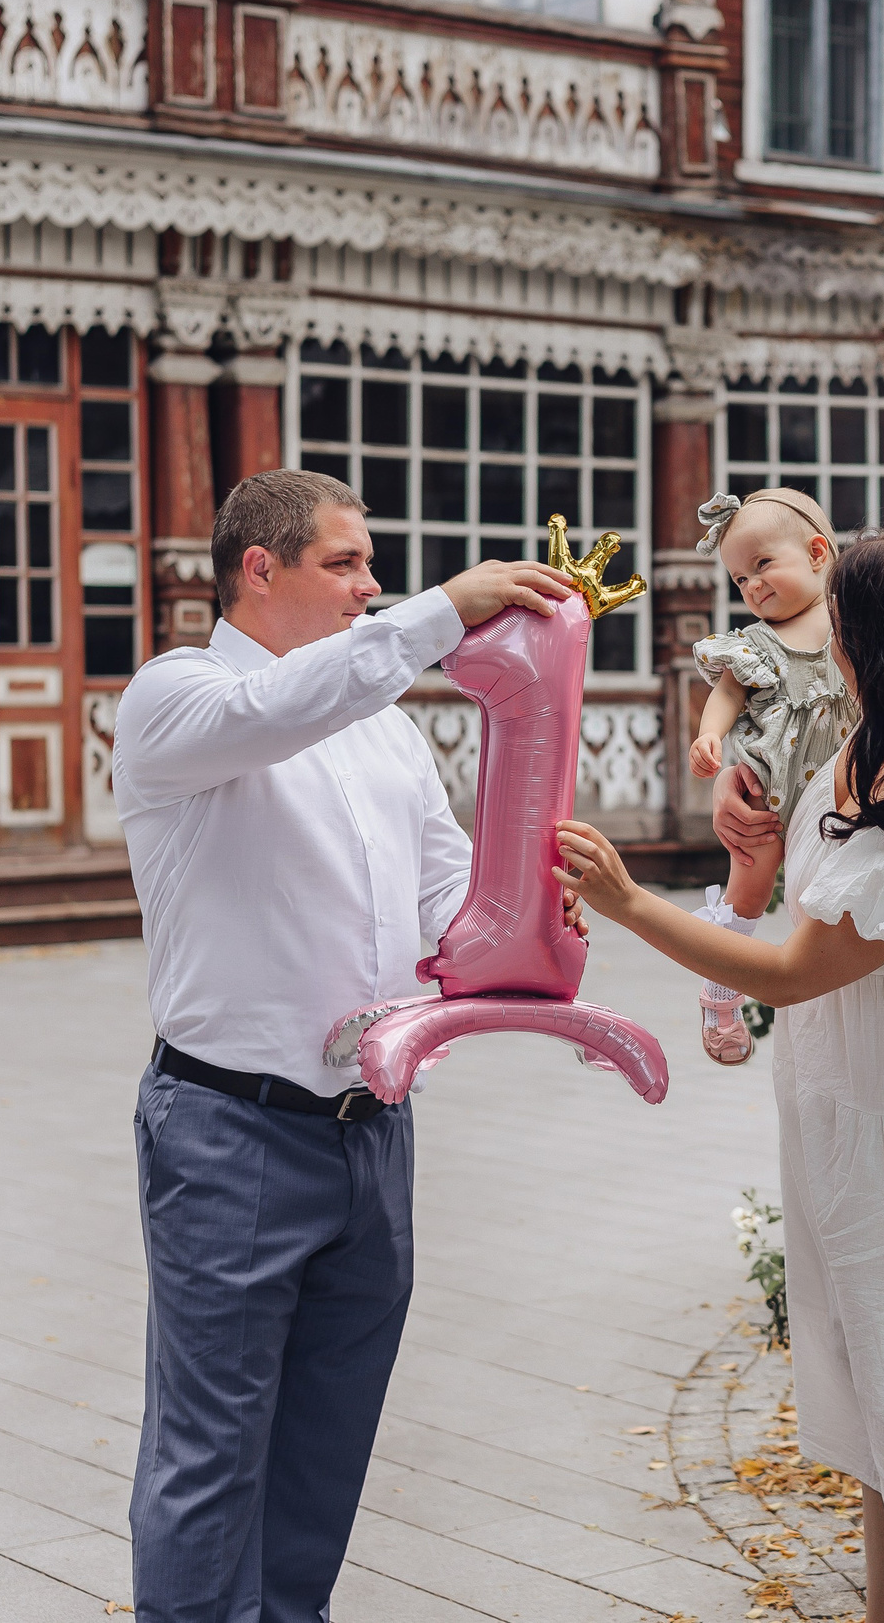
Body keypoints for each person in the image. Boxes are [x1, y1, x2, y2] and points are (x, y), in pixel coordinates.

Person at [554, 527, 884, 1623]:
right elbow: (798, 894)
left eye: (844, 622)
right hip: (855, 1088)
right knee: (882, 1380)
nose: (826, 637)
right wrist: (753, 849)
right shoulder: (875, 743)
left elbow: (792, 971)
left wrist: (629, 904)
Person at [109, 468, 577, 1623]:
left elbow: (445, 897)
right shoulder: (177, 695)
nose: (371, 587)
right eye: (345, 563)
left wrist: (536, 920)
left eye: (373, 566)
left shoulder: (385, 733)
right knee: (210, 1452)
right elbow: (279, 712)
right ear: (257, 569)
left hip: (374, 1136)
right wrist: (442, 611)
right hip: (230, 1132)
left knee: (325, 1447)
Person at [685, 487, 859, 1065]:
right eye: (739, 579)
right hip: (771, 787)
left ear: (816, 553)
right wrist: (710, 736)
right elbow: (726, 694)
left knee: (838, 892)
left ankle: (830, 982)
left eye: (762, 565)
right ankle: (720, 992)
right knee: (750, 886)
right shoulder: (755, 644)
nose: (752, 585)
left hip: (846, 786)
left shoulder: (854, 624)